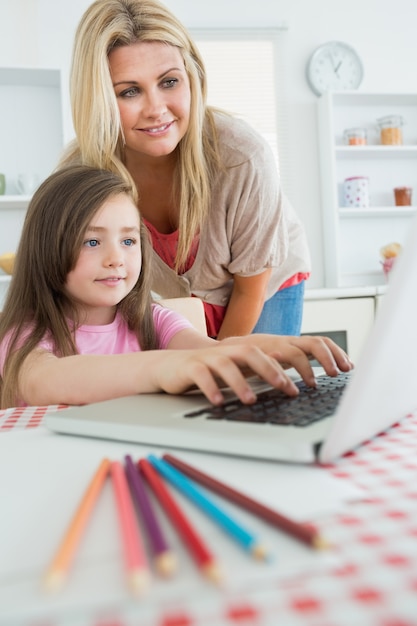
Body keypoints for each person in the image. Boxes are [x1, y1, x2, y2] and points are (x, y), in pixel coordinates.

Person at [0, 165, 351, 410]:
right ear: (46, 248)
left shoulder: (153, 320)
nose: (115, 259)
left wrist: (275, 349)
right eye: (92, 242)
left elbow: (210, 352)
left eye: (128, 241)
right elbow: (43, 380)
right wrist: (163, 368)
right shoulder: (24, 335)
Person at [59, 0, 311, 340]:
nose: (156, 109)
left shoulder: (241, 157)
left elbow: (249, 291)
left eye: (169, 82)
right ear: (98, 98)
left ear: (192, 78)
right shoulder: (81, 174)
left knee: (252, 388)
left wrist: (218, 365)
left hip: (263, 287)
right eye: (130, 91)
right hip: (182, 301)